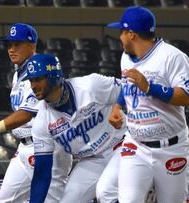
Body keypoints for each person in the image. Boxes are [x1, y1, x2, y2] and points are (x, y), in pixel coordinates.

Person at [0, 23, 72, 202]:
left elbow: (26, 113)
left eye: (17, 44)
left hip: (48, 147)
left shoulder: (41, 73)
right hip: (24, 148)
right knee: (4, 200)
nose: (11, 49)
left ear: (32, 45)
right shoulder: (18, 73)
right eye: (9, 44)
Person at [107, 6, 189, 203]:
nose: (119, 37)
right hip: (136, 145)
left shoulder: (172, 57)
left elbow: (186, 96)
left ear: (131, 34)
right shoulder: (125, 57)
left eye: (121, 32)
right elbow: (128, 87)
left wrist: (149, 87)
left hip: (172, 148)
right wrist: (117, 107)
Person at [22, 54, 125, 203]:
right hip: (90, 160)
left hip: (119, 146)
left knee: (105, 193)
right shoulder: (42, 121)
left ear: (53, 75)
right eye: (31, 80)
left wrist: (118, 108)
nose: (33, 86)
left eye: (38, 79)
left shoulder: (90, 85)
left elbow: (128, 89)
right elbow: (42, 174)